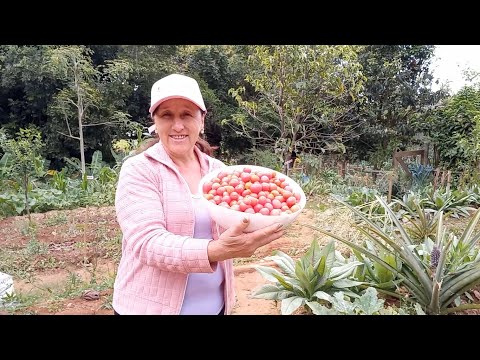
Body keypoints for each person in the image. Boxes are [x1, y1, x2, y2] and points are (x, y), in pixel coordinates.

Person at [112, 74, 284, 315]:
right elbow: (147, 243)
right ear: (155, 122)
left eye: (187, 115)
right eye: (167, 116)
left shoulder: (218, 172)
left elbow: (237, 221)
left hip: (214, 307)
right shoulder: (140, 169)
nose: (178, 125)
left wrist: (260, 222)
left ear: (202, 120)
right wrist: (215, 251)